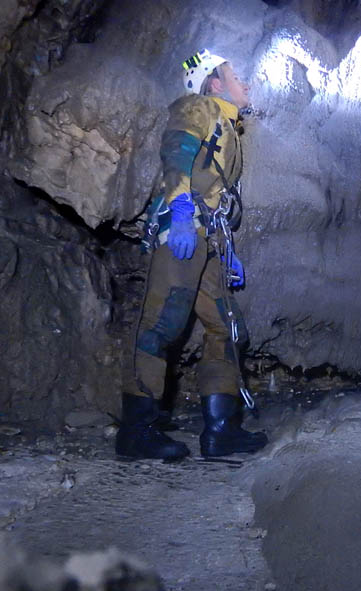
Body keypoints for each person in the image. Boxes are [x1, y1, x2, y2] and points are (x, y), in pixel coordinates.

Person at [116, 49, 267, 461]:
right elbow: (178, 151)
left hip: (210, 237)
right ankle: (136, 431)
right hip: (183, 228)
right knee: (162, 321)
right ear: (214, 84)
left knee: (227, 328)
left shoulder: (229, 128)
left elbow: (218, 191)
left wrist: (227, 252)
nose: (245, 84)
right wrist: (180, 209)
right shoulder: (199, 107)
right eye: (236, 77)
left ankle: (221, 431)